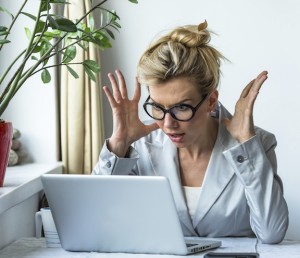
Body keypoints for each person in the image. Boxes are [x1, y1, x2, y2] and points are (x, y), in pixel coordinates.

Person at [92, 20, 289, 244]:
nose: (168, 124)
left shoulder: (256, 144)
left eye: (181, 107)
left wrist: (245, 144)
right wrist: (119, 144)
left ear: (211, 101)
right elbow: (93, 222)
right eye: (157, 107)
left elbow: (271, 233)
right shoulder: (139, 146)